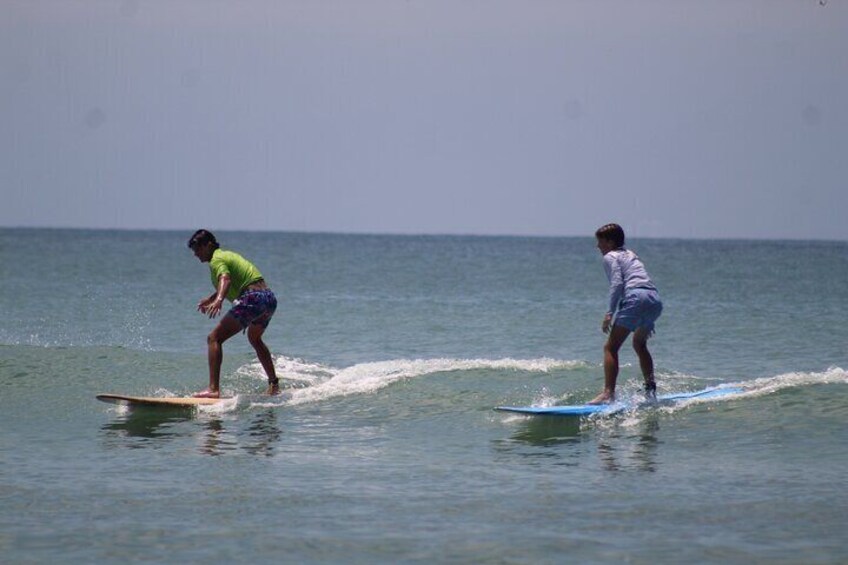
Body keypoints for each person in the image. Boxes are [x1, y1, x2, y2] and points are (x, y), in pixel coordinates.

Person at [188, 229, 279, 398]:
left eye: (197, 249)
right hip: (268, 300)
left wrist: (220, 300)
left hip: (253, 299)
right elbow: (233, 282)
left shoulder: (217, 259)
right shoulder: (226, 255)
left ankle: (213, 389)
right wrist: (212, 298)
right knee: (255, 339)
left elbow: (225, 279)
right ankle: (274, 384)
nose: (196, 254)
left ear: (208, 245)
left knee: (214, 338)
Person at [588, 223, 663, 405]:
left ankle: (608, 393)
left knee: (610, 348)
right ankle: (650, 390)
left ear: (610, 242)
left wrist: (609, 313)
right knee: (639, 344)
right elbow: (639, 282)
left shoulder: (610, 257)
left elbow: (617, 284)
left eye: (601, 242)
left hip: (636, 299)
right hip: (654, 300)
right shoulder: (631, 254)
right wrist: (645, 319)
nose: (598, 246)